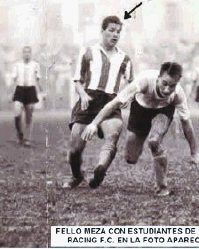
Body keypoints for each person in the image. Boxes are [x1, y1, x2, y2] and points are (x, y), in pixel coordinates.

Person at [81, 62, 199, 196]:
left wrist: (194, 152)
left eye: (172, 85)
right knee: (131, 158)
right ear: (158, 78)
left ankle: (162, 187)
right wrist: (94, 124)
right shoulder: (144, 81)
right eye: (164, 83)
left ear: (177, 83)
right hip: (140, 110)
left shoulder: (178, 94)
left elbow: (186, 123)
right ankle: (138, 141)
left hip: (163, 111)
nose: (167, 89)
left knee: (154, 141)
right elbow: (114, 103)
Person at [67, 16, 133, 189]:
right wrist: (82, 95)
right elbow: (77, 80)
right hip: (88, 101)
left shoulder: (124, 58)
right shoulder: (88, 52)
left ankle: (100, 170)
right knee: (74, 150)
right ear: (102, 31)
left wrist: (127, 97)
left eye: (118, 31)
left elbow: (131, 83)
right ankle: (77, 176)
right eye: (111, 30)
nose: (115, 34)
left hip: (110, 102)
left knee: (112, 137)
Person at [12, 46, 42, 146]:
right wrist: (11, 92)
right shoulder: (17, 65)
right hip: (19, 89)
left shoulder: (35, 65)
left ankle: (27, 138)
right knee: (17, 113)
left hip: (30, 90)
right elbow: (14, 80)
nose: (27, 54)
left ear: (31, 53)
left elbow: (38, 80)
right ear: (22, 53)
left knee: (29, 116)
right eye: (25, 52)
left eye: (28, 52)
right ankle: (19, 133)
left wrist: (40, 92)